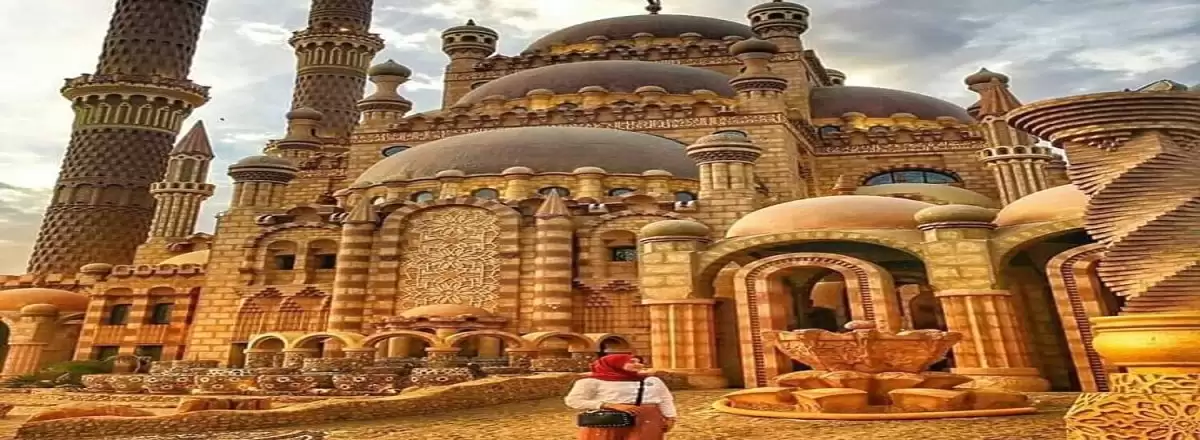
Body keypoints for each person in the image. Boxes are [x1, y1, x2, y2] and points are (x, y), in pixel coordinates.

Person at [565, 354, 677, 440]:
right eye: (632, 362)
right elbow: (573, 401)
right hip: (609, 419)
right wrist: (608, 405)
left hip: (648, 418)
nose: (638, 364)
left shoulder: (652, 380)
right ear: (615, 364)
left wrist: (670, 417)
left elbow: (665, 398)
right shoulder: (591, 382)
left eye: (639, 362)